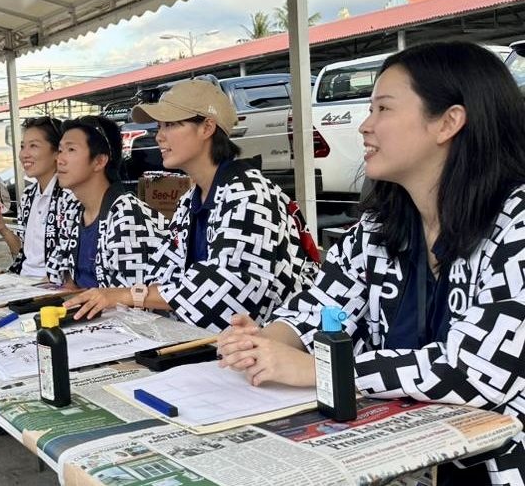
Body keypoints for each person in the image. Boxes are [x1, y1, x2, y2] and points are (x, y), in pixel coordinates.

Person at [217, 41, 525, 484]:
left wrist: (324, 371)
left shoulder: (517, 222)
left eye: (383, 108)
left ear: (449, 122)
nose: (365, 125)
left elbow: (476, 372)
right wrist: (263, 341)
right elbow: (318, 308)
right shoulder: (381, 226)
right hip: (399, 461)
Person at [66, 80, 318, 328]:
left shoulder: (249, 192)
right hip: (218, 344)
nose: (159, 136)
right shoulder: (190, 199)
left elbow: (231, 289)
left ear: (207, 127)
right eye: (160, 126)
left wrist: (126, 295)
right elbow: (162, 273)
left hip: (271, 346)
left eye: (172, 125)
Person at [46, 115, 170, 289]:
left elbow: (132, 300)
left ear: (99, 161)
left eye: (71, 150)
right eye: (60, 150)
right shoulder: (73, 211)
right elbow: (63, 278)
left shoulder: (128, 215)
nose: (59, 159)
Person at [0, 116, 78, 279]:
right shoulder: (28, 196)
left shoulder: (71, 197)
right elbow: (22, 255)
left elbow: (74, 267)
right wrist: (3, 228)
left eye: (33, 146)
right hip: (24, 282)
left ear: (57, 152)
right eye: (23, 146)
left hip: (51, 289)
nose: (24, 154)